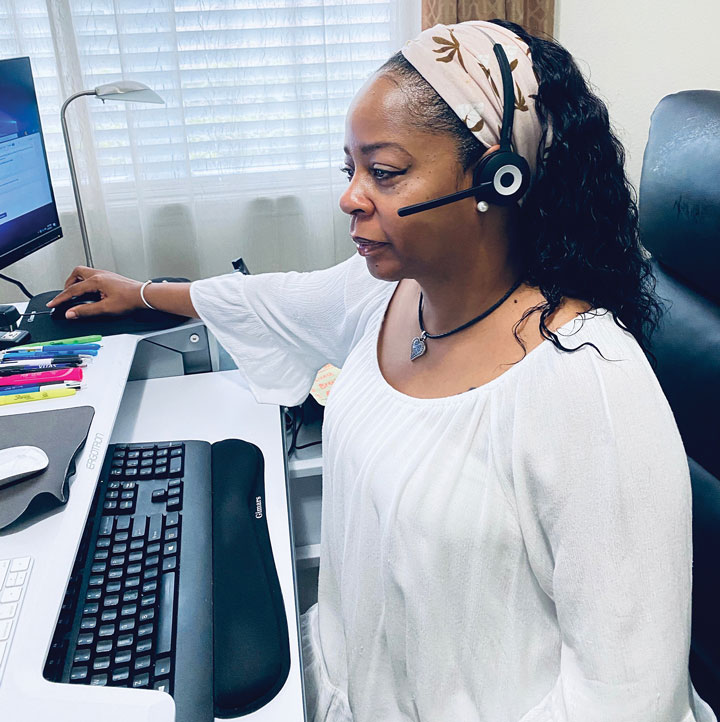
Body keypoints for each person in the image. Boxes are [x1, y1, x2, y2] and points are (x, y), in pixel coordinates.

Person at [48, 19, 715, 722]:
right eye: (350, 170)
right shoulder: (391, 294)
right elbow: (271, 298)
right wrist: (143, 293)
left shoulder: (590, 379)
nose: (351, 196)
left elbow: (629, 698)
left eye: (385, 171)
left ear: (499, 176)